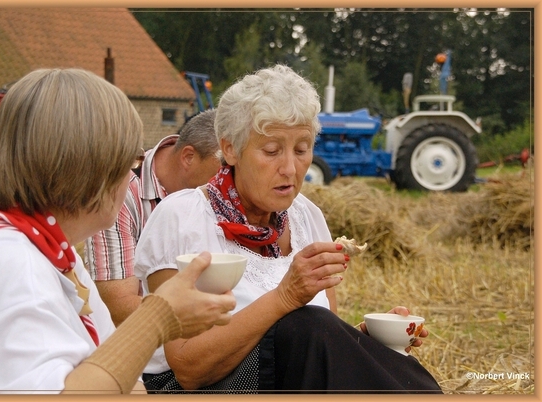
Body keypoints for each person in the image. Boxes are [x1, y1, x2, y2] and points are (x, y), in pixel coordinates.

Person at [134, 64, 442, 393]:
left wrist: (359, 345)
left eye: (301, 149)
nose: (290, 168)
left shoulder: (306, 216)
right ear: (230, 149)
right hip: (197, 391)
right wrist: (286, 297)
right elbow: (188, 369)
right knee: (308, 326)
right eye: (271, 150)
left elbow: (310, 347)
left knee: (389, 361)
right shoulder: (182, 217)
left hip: (277, 382)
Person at [0, 68, 236, 394]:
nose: (131, 178)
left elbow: (115, 373)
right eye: (129, 162)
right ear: (89, 169)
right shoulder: (10, 263)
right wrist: (159, 318)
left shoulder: (48, 249)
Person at [84, 109, 221, 326]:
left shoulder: (226, 193)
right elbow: (117, 307)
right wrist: (202, 313)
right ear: (188, 157)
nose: (229, 181)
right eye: (223, 170)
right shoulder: (121, 194)